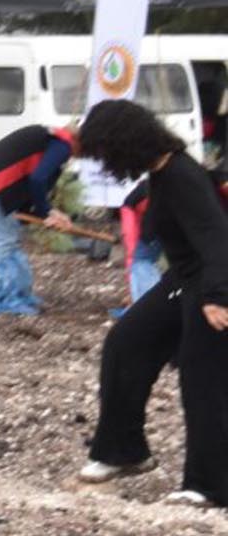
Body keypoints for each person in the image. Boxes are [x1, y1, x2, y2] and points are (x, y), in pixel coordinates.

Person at [74, 98, 228, 509]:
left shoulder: (181, 176)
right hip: (181, 280)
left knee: (203, 381)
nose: (104, 161)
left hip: (211, 284)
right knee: (126, 343)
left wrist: (217, 297)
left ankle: (209, 486)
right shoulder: (162, 172)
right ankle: (123, 451)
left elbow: (217, 237)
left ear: (127, 142)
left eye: (105, 151)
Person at [0, 121, 78, 317]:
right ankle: (0, 301)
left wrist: (48, 214)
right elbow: (38, 179)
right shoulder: (63, 144)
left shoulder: (51, 139)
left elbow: (33, 179)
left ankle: (18, 295)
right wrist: (46, 213)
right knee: (4, 239)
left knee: (13, 237)